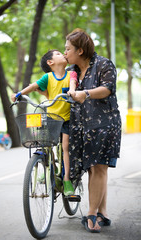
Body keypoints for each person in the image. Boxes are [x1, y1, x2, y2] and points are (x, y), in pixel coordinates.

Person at [64, 28, 121, 233]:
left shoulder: (104, 64)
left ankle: (90, 214)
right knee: (94, 168)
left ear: (80, 50)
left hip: (105, 124)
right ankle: (102, 213)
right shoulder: (74, 70)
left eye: (67, 49)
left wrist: (85, 93)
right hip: (83, 125)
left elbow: (108, 88)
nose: (65, 53)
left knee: (98, 167)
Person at [11, 49, 78, 196]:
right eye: (59, 53)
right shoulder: (47, 77)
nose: (64, 54)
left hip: (66, 118)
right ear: (50, 62)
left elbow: (73, 84)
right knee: (46, 144)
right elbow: (34, 85)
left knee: (65, 147)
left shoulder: (71, 74)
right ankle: (51, 169)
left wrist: (72, 91)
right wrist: (19, 94)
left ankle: (67, 180)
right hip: (51, 117)